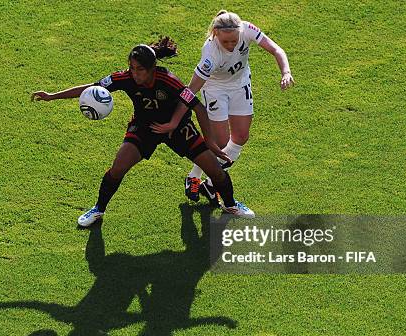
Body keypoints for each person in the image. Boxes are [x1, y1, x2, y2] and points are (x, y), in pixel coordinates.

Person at [31, 37, 255, 227]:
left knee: (215, 170)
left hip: (177, 128)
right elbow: (91, 88)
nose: (134, 74)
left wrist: (211, 143)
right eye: (132, 68)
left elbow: (197, 107)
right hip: (145, 127)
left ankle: (231, 205)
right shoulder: (124, 78)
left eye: (140, 69)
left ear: (152, 69)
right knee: (118, 167)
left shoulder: (168, 80)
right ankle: (98, 210)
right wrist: (52, 96)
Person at [151, 11, 295, 204]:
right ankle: (194, 177)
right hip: (215, 90)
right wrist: (174, 121)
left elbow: (276, 49)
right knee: (220, 143)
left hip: (240, 84)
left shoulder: (247, 29)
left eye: (234, 41)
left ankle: (208, 184)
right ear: (215, 34)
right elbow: (191, 89)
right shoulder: (210, 54)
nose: (230, 46)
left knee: (241, 137)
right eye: (225, 42)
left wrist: (285, 72)